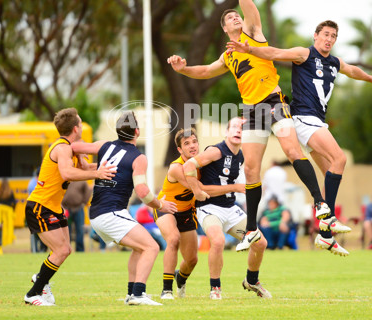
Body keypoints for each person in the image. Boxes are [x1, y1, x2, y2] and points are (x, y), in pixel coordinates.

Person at [168, 0, 331, 253]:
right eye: (230, 18)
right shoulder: (228, 54)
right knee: (252, 170)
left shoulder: (253, 32)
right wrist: (183, 68)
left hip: (273, 100)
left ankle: (320, 203)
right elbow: (203, 72)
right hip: (252, 110)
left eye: (237, 16)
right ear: (225, 28)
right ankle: (252, 229)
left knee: (291, 149)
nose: (236, 18)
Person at [227, 20, 372, 256]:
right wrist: (250, 49)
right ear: (315, 36)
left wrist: (371, 78)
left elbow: (352, 70)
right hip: (304, 118)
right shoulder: (304, 54)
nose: (329, 39)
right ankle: (329, 218)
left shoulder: (334, 62)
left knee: (329, 173)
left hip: (316, 121)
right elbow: (275, 53)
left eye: (333, 36)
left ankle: (325, 236)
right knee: (340, 159)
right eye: (325, 34)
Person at [73, 111, 177, 306]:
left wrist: (81, 159)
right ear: (137, 131)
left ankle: (131, 293)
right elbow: (143, 191)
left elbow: (73, 146)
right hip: (110, 212)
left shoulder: (105, 145)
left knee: (139, 248)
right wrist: (161, 204)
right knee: (152, 247)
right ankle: (139, 294)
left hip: (98, 213)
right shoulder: (138, 157)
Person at [24, 107, 117, 306]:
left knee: (65, 250)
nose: (82, 126)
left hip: (53, 207)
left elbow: (85, 167)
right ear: (75, 128)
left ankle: (41, 281)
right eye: (81, 123)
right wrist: (98, 174)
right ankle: (33, 293)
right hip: (39, 206)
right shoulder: (62, 148)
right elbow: (67, 173)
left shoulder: (71, 148)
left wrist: (114, 168)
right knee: (61, 250)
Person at [183, 117, 271, 299]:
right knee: (217, 241)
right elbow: (188, 165)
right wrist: (196, 190)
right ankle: (215, 288)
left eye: (242, 128)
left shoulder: (242, 154)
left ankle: (251, 280)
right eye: (235, 127)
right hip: (209, 207)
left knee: (260, 242)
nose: (239, 131)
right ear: (226, 132)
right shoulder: (216, 151)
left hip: (230, 208)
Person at [154, 128, 208, 300]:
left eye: (194, 141)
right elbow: (197, 189)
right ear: (179, 150)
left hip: (186, 212)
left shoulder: (202, 164)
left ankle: (180, 277)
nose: (192, 146)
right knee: (173, 239)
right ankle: (166, 290)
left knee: (192, 260)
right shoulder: (176, 167)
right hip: (166, 208)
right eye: (186, 143)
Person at [61, 180, 92, 252]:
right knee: (66, 231)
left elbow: (87, 192)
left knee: (80, 230)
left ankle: (80, 250)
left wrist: (83, 201)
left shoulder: (82, 180)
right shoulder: (65, 179)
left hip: (78, 208)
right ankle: (66, 250)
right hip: (66, 209)